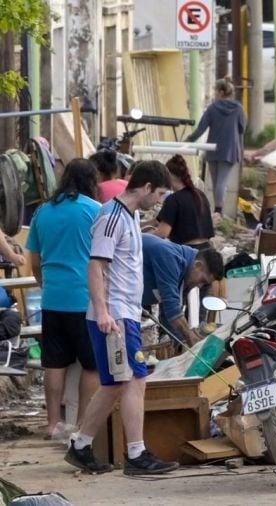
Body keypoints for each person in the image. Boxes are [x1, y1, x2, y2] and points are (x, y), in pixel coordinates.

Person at [65, 160, 178, 476]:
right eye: (158, 194)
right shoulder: (111, 217)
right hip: (114, 314)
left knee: (121, 381)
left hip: (123, 312)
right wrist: (102, 311)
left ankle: (84, 444)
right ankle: (133, 452)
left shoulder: (130, 215)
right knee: (129, 379)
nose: (159, 201)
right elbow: (96, 265)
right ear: (145, 188)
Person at [25, 159, 101, 440]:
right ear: (91, 181)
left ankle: (53, 423)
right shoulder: (95, 210)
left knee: (54, 363)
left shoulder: (43, 211)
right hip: (85, 298)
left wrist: (45, 284)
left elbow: (34, 259)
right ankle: (81, 423)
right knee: (92, 363)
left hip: (52, 298)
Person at [141, 233, 224, 347]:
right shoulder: (170, 257)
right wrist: (189, 337)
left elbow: (167, 317)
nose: (199, 286)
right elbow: (172, 308)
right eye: (202, 280)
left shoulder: (184, 272)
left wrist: (184, 341)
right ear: (197, 265)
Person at [186, 78, 246, 217]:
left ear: (220, 92)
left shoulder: (212, 108)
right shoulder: (238, 109)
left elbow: (201, 128)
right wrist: (241, 150)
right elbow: (242, 129)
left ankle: (217, 210)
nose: (214, 94)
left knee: (215, 181)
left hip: (213, 148)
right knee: (222, 181)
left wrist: (189, 140)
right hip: (231, 150)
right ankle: (219, 210)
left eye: (215, 91)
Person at [154, 155, 214, 250]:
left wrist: (142, 236)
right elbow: (159, 221)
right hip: (207, 249)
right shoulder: (200, 194)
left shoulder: (173, 199)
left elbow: (162, 233)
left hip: (187, 252)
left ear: (169, 175)